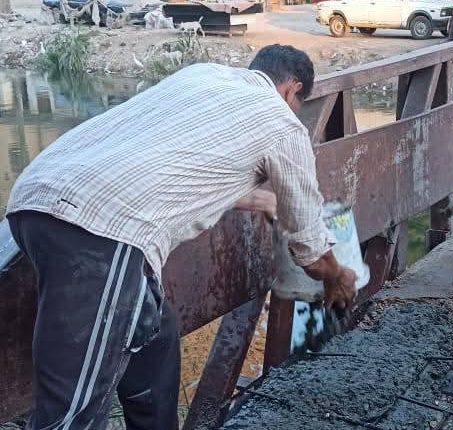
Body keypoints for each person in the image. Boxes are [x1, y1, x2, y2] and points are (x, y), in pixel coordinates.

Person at [6, 44, 357, 429]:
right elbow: (310, 246)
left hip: (33, 198)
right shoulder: (282, 122)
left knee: (155, 342)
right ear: (293, 89)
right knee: (72, 414)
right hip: (100, 229)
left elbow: (173, 163)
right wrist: (336, 276)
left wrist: (261, 199)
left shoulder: (202, 75)